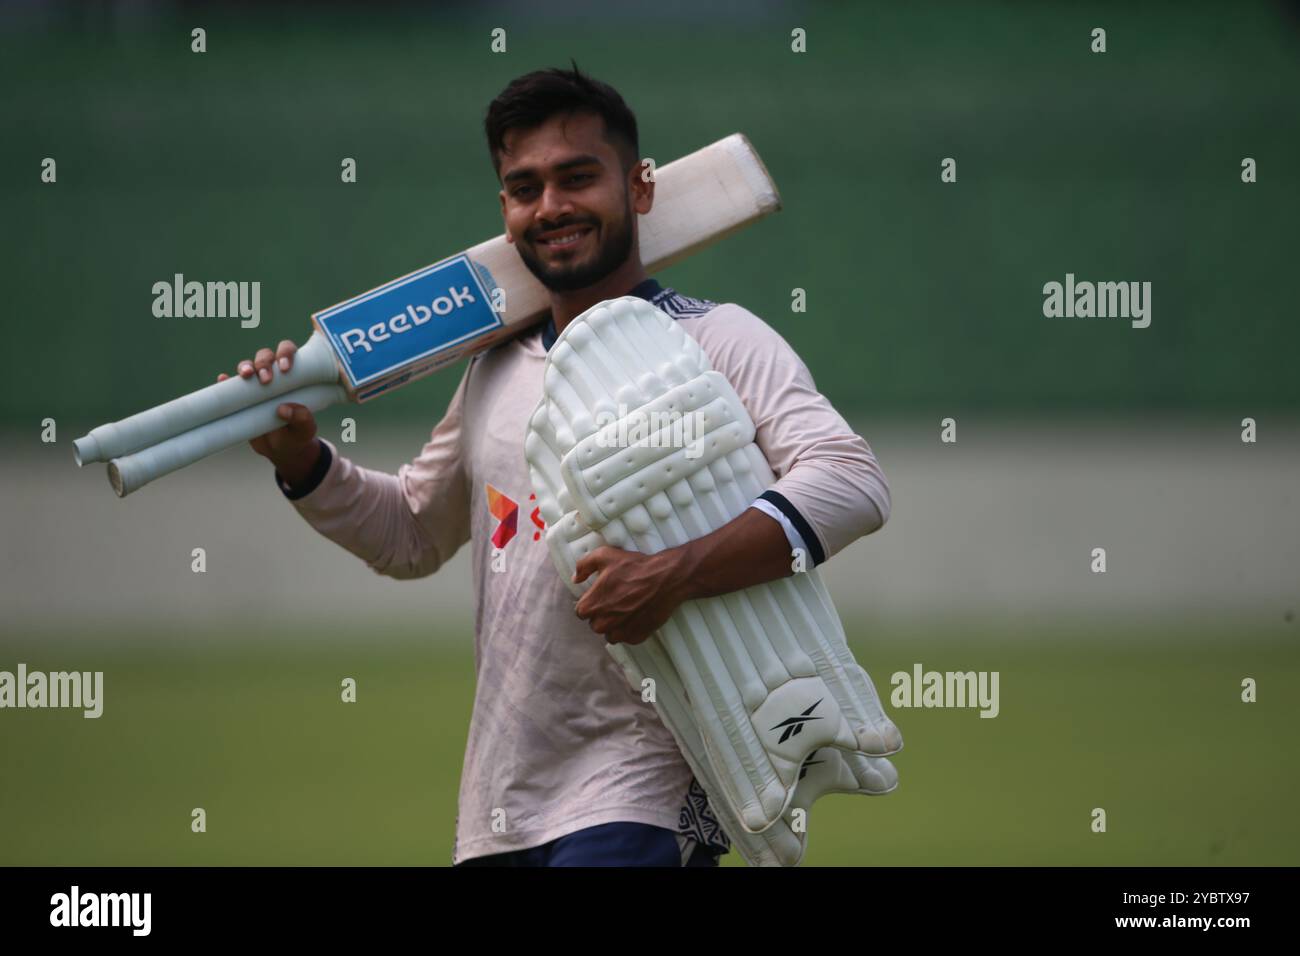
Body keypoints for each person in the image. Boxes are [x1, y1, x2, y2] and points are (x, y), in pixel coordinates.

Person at [218, 64, 891, 867]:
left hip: (651, 791)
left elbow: (850, 479)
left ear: (640, 189)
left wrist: (674, 573)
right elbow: (409, 535)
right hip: (502, 804)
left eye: (578, 178)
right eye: (524, 187)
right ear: (504, 210)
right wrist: (302, 461)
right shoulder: (493, 369)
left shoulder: (717, 340)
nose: (552, 208)